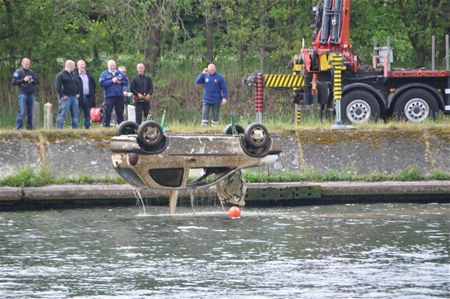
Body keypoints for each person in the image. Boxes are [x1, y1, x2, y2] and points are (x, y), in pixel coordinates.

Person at [99, 60, 129, 127]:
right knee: (107, 112)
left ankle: (121, 127)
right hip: (109, 96)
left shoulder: (119, 73)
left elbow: (126, 82)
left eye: (114, 65)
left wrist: (121, 82)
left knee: (120, 112)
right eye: (111, 65)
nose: (112, 66)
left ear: (116, 65)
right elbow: (102, 83)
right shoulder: (104, 74)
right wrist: (112, 81)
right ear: (108, 66)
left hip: (119, 96)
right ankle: (106, 126)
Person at [12, 58, 38, 130]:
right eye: (26, 63)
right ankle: (18, 127)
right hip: (22, 94)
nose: (27, 65)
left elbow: (37, 81)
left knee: (30, 112)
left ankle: (29, 128)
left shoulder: (31, 72)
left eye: (28, 64)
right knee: (22, 111)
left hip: (31, 94)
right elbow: (13, 82)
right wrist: (23, 80)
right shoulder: (18, 72)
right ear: (22, 63)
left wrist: (32, 81)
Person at [55, 60, 81, 129]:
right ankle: (59, 128)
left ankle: (75, 128)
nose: (75, 67)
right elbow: (58, 86)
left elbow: (78, 84)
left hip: (74, 97)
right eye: (74, 65)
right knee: (62, 113)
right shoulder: (60, 75)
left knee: (75, 114)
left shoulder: (73, 74)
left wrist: (78, 93)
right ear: (69, 65)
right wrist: (62, 95)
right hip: (66, 98)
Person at [75, 60, 96, 129]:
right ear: (77, 66)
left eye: (83, 64)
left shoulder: (89, 75)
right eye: (81, 64)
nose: (82, 66)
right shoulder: (75, 75)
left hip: (88, 97)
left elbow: (94, 85)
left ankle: (87, 127)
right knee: (77, 113)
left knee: (87, 114)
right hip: (78, 97)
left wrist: (93, 93)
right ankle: (75, 128)